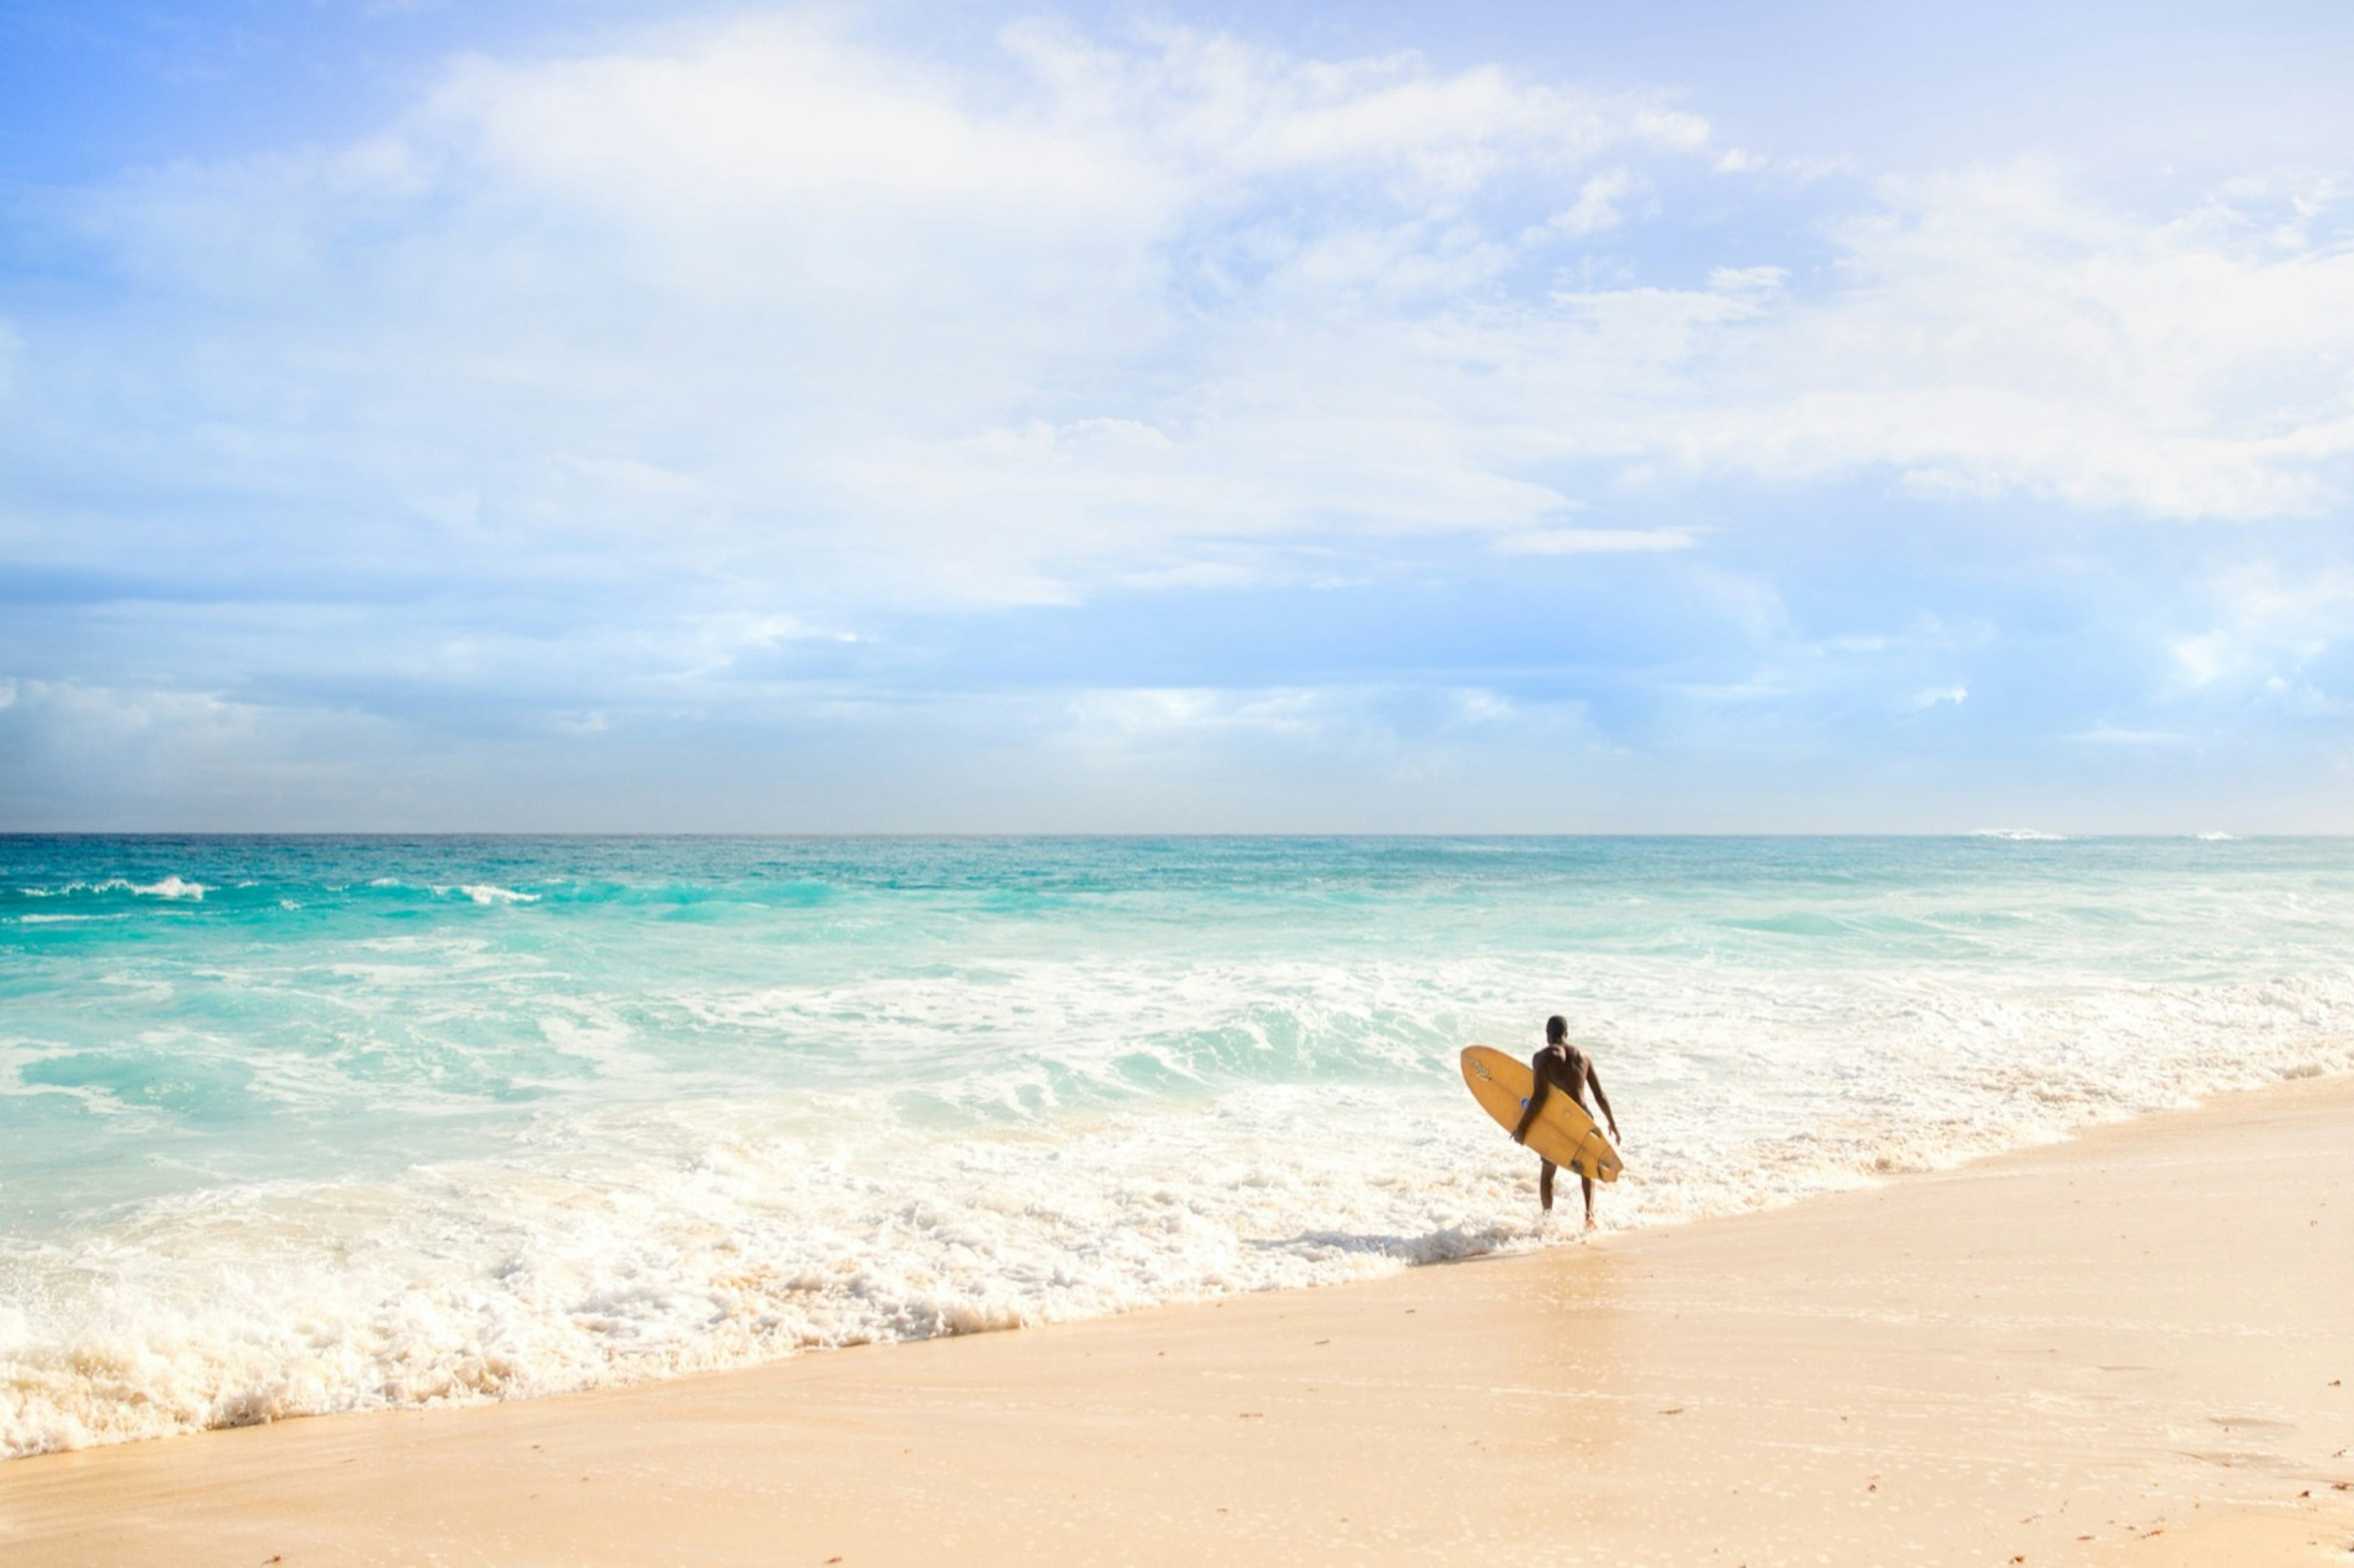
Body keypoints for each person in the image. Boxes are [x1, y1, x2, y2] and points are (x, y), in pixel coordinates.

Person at [1510, 1014, 1620, 1228]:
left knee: (1548, 1171)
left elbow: (1540, 1096)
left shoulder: (1542, 1057)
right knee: (1587, 1169)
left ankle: (1548, 1219)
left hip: (1558, 1121)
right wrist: (1611, 1123)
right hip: (1583, 1116)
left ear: (1547, 1034)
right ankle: (1589, 1215)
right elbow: (1600, 1095)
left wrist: (1522, 1128)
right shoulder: (1583, 1056)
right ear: (1567, 1034)